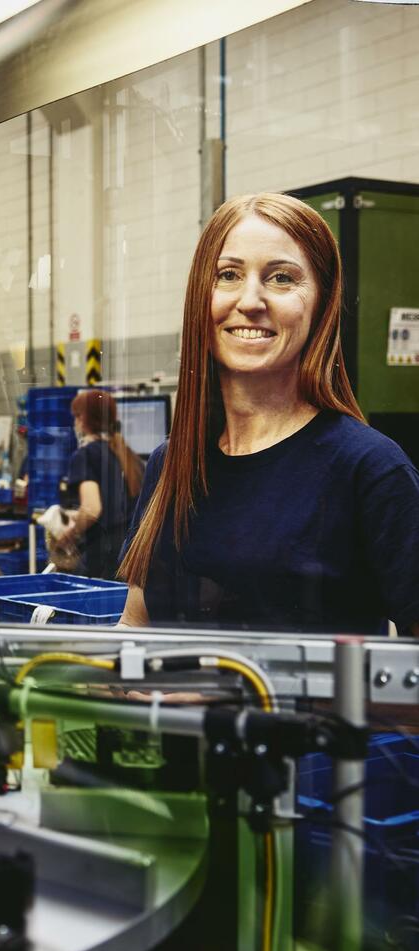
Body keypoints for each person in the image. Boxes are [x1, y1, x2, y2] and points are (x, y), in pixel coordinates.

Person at [117, 193, 419, 636]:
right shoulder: (173, 463)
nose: (251, 300)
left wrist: (230, 701)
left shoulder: (370, 469)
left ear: (320, 304)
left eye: (281, 278)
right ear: (201, 295)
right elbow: (134, 627)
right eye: (228, 275)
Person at [52, 388, 144, 580]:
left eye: (76, 416)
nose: (75, 422)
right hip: (130, 558)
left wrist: (69, 534)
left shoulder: (85, 455)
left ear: (83, 419)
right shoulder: (129, 456)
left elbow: (92, 509)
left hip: (101, 560)